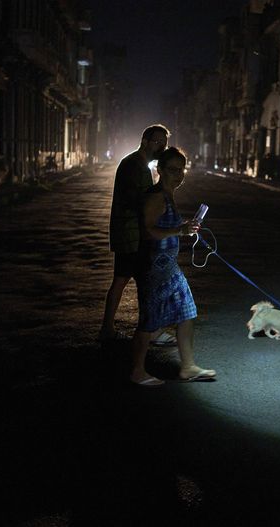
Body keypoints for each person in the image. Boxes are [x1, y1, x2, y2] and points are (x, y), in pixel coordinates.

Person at [130, 147, 216, 386]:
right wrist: (179, 230)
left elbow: (165, 226)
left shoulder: (167, 196)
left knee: (187, 311)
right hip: (153, 268)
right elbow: (147, 232)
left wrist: (185, 226)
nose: (178, 175)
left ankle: (187, 367)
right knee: (149, 321)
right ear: (159, 170)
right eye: (172, 170)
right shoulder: (156, 196)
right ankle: (137, 371)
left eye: (182, 170)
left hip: (169, 268)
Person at [100, 124, 176, 345]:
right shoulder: (135, 165)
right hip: (132, 234)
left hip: (130, 233)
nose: (161, 146)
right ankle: (150, 331)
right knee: (147, 283)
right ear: (144, 141)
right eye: (157, 142)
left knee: (124, 280)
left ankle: (108, 329)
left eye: (165, 143)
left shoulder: (138, 163)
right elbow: (140, 202)